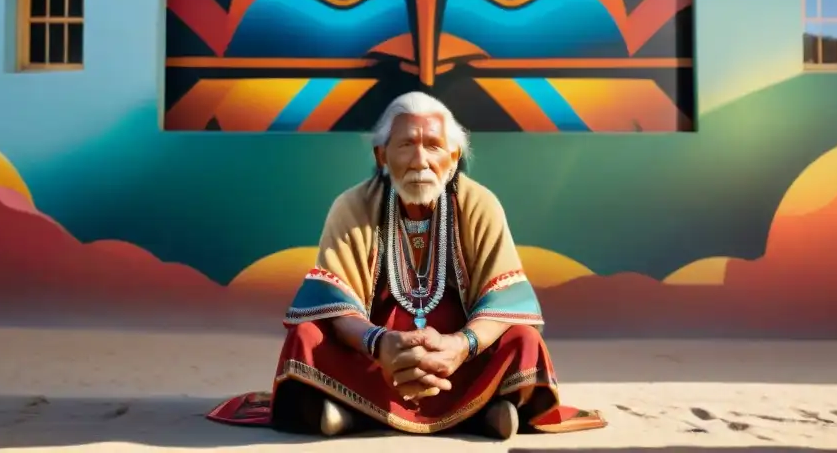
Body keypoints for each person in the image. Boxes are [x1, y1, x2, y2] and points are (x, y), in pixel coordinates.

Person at [207, 92, 606, 438]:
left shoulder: (479, 203)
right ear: (382, 156)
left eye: (433, 146)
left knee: (523, 341)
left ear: (452, 158)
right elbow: (333, 300)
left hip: (458, 361)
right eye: (405, 145)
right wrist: (380, 344)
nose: (420, 160)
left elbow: (505, 298)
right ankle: (483, 414)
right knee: (307, 337)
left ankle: (349, 415)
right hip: (376, 360)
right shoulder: (353, 205)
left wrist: (458, 346)